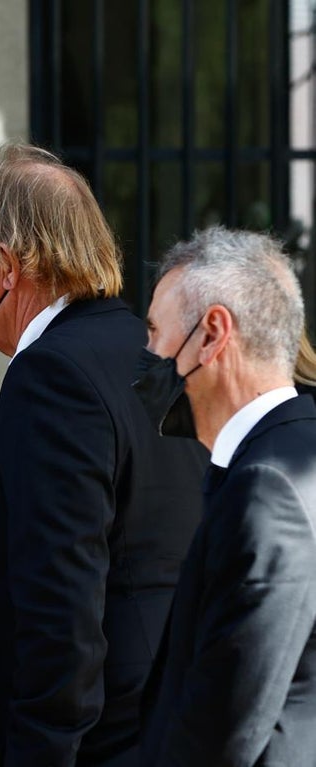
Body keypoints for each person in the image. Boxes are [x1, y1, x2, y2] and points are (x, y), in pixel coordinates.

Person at [0, 143, 208, 766]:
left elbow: (60, 596)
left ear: (7, 268)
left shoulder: (52, 374)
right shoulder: (153, 354)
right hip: (173, 710)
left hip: (94, 738)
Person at [136, 227, 316, 764]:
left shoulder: (269, 489)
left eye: (153, 333)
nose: (146, 356)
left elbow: (225, 724)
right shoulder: (292, 452)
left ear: (212, 333)